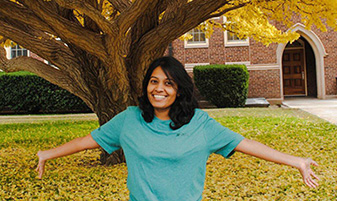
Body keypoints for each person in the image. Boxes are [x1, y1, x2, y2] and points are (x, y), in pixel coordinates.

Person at [36, 56, 319, 200]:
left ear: (179, 89)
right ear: (147, 85)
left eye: (168, 83)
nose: (159, 89)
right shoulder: (129, 119)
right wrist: (47, 153)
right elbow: (89, 141)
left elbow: (247, 145)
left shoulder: (200, 124)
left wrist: (297, 161)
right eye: (154, 81)